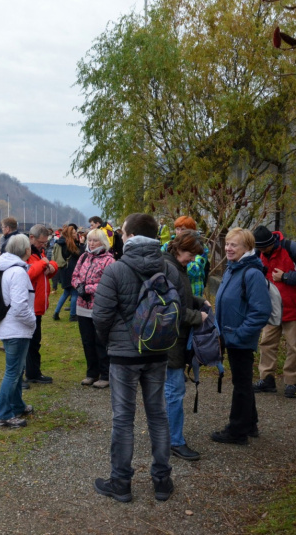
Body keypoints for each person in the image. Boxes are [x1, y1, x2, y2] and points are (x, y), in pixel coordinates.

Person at [92, 213, 186, 503]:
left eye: (121, 231)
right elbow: (178, 307)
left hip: (124, 356)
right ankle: (162, 481)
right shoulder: (168, 268)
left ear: (130, 235)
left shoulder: (116, 270)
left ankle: (120, 483)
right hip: (158, 351)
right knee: (158, 416)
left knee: (123, 419)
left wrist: (112, 341)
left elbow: (101, 316)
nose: (119, 235)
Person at [212, 228, 272, 445]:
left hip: (239, 338)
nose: (228, 248)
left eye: (234, 245)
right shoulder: (233, 268)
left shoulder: (251, 273)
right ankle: (251, 423)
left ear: (247, 248)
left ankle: (237, 431)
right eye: (227, 244)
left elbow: (261, 311)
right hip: (230, 336)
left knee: (241, 385)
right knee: (243, 382)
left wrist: (239, 334)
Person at [252, 226, 296, 399]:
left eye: (263, 248)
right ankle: (267, 379)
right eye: (258, 248)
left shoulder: (293, 249)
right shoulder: (258, 252)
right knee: (267, 344)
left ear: (271, 243)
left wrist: (286, 277)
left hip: (293, 307)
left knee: (293, 347)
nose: (261, 251)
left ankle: (291, 382)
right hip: (271, 308)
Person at [162, 231, 208, 461]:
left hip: (175, 340)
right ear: (179, 248)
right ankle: (174, 441)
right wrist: (196, 316)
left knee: (171, 390)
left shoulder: (175, 267)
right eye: (190, 254)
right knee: (174, 391)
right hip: (171, 341)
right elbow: (169, 309)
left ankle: (167, 437)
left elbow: (181, 298)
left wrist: (200, 301)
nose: (192, 259)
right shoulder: (169, 268)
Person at [0, 234, 37, 428]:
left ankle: (17, 405)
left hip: (8, 326)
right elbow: (20, 307)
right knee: (13, 372)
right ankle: (3, 414)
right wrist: (32, 321)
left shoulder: (5, 267)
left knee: (18, 371)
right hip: (16, 329)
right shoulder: (18, 272)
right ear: (26, 250)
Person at [70, 228, 114, 388]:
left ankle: (105, 374)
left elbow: (107, 283)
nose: (91, 243)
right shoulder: (83, 257)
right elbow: (74, 276)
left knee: (100, 342)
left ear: (102, 242)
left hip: (99, 307)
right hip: (82, 306)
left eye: (95, 240)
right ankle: (91, 373)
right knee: (87, 341)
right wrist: (78, 286)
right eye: (89, 240)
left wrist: (87, 289)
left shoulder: (109, 260)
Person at [24, 225, 58, 385]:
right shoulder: (23, 253)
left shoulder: (38, 253)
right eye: (41, 242)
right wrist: (44, 264)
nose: (43, 245)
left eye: (45, 242)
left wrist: (52, 266)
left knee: (34, 341)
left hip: (36, 305)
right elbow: (27, 274)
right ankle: (26, 374)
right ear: (31, 238)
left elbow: (46, 268)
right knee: (26, 342)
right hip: (28, 305)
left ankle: (33, 373)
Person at [52, 225, 83, 322]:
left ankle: (56, 312)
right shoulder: (69, 244)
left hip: (63, 270)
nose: (76, 234)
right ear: (70, 234)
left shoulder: (60, 242)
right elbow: (80, 254)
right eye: (74, 233)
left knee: (66, 292)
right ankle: (73, 315)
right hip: (71, 270)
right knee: (75, 293)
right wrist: (81, 244)